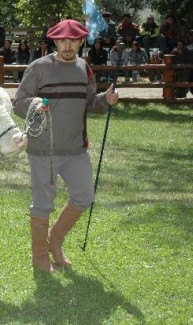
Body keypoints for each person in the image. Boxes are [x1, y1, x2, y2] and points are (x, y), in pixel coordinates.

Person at [13, 19, 118, 273]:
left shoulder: (85, 68)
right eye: (62, 40)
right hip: (43, 150)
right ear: (55, 41)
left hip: (75, 149)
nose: (68, 45)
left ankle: (55, 241)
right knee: (43, 204)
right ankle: (39, 257)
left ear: (81, 41)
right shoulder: (39, 67)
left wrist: (106, 99)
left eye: (73, 40)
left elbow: (90, 103)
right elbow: (18, 103)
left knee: (84, 195)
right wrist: (35, 104)